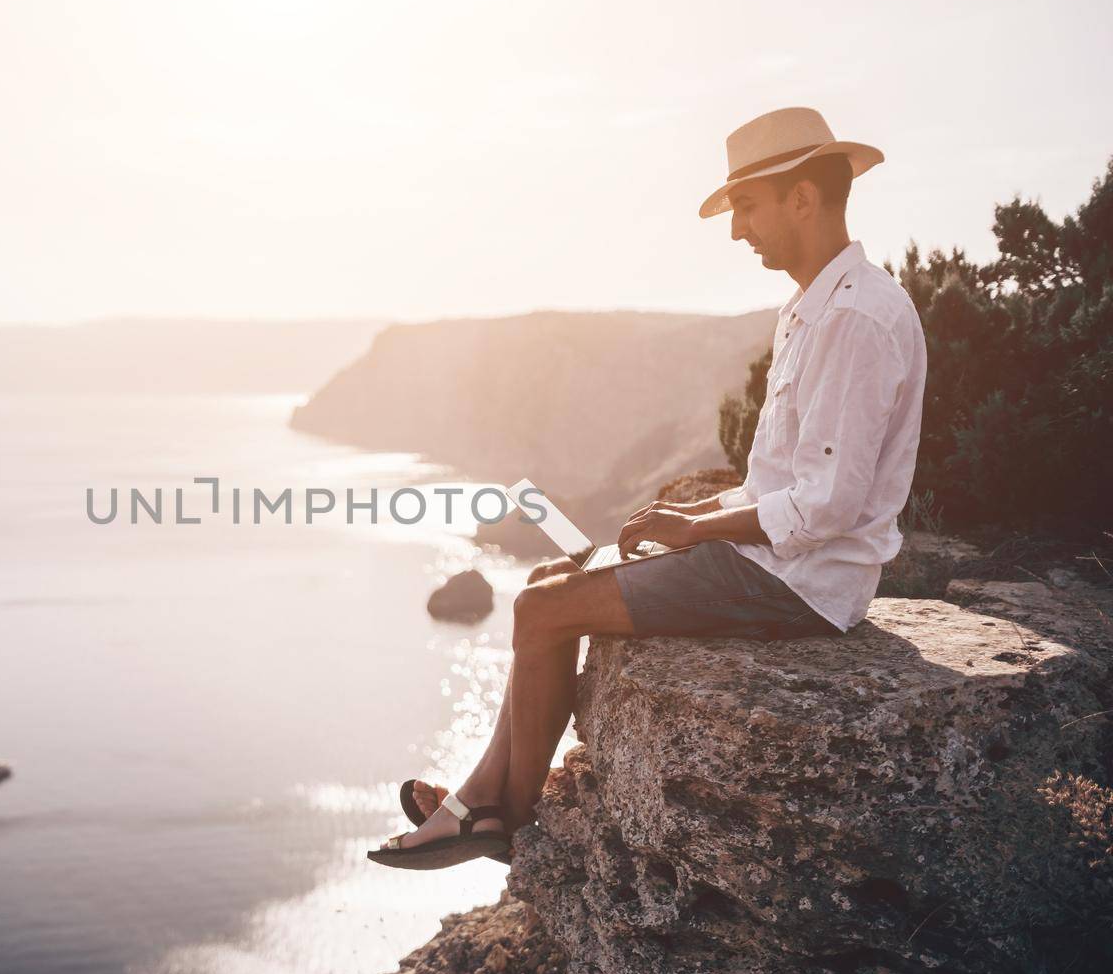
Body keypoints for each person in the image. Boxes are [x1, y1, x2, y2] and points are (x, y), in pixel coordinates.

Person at [370, 107, 928, 870]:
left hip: (802, 583)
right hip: (776, 563)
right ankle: (480, 801)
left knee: (541, 610)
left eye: (746, 207)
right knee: (546, 576)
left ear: (803, 196)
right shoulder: (812, 306)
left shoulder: (855, 318)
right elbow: (785, 482)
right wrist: (692, 513)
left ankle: (500, 815)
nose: (738, 231)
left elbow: (826, 505)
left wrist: (697, 535)